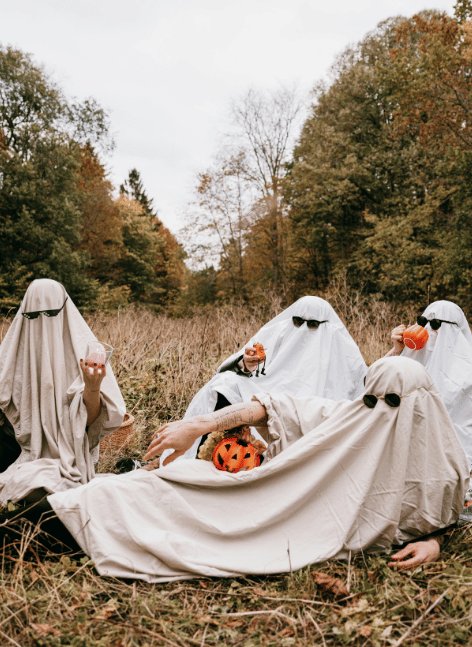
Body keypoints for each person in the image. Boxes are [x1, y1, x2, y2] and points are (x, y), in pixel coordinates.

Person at [40, 357, 468, 581]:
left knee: (174, 520)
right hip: (265, 493)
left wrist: (435, 543)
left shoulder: (444, 466)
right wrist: (202, 424)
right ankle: (48, 516)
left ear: (420, 408)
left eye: (391, 403)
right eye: (371, 399)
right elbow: (272, 406)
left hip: (297, 529)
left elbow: (450, 512)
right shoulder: (352, 416)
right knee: (152, 488)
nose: (377, 412)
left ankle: (54, 527)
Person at [165, 296, 367, 462]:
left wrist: (396, 351)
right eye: (298, 322)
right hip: (268, 390)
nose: (303, 329)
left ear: (324, 324)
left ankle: (253, 458)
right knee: (224, 383)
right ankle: (212, 453)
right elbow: (243, 363)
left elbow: (363, 381)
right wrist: (247, 363)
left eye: (312, 325)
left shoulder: (339, 344)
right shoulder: (280, 330)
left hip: (311, 402)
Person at [0, 278, 126, 504]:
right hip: (19, 450)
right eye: (33, 316)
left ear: (64, 311)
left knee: (48, 487)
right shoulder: (12, 352)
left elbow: (92, 423)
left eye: (51, 314)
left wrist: (92, 386)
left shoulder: (84, 349)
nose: (42, 324)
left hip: (70, 456)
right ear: (23, 314)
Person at [386, 300, 472, 467]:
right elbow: (374, 384)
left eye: (436, 325)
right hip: (411, 458)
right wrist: (397, 350)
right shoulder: (409, 360)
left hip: (456, 463)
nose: (430, 331)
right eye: (423, 322)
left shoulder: (467, 371)